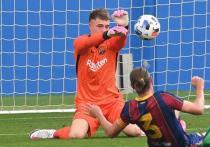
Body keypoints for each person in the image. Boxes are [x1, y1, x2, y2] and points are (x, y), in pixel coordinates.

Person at [29, 8, 143, 139]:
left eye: (107, 26)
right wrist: (107, 34)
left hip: (112, 102)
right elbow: (86, 43)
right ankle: (53, 133)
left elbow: (121, 40)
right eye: (100, 26)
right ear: (90, 26)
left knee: (134, 132)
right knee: (76, 135)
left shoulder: (111, 44)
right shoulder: (81, 42)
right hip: (87, 104)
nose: (104, 29)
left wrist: (124, 26)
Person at [81, 67, 205, 147]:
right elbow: (199, 109)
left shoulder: (130, 108)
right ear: (150, 80)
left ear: (132, 86)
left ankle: (180, 126)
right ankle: (182, 128)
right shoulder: (163, 97)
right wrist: (199, 87)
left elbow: (110, 133)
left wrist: (99, 115)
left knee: (171, 112)